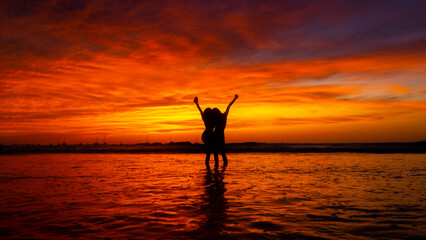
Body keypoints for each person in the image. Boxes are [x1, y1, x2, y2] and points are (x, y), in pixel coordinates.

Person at [212, 94, 238, 167]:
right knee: (222, 151)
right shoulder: (224, 116)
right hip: (221, 135)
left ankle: (217, 164)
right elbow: (229, 105)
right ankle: (225, 163)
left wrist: (235, 98)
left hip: (216, 135)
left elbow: (229, 106)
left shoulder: (216, 119)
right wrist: (235, 98)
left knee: (216, 152)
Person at [194, 97, 214, 167]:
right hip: (208, 135)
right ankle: (207, 164)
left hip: (206, 135)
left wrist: (196, 103)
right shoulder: (210, 119)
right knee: (209, 151)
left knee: (209, 151)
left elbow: (200, 111)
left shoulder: (206, 118)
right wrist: (196, 103)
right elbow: (200, 110)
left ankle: (203, 148)